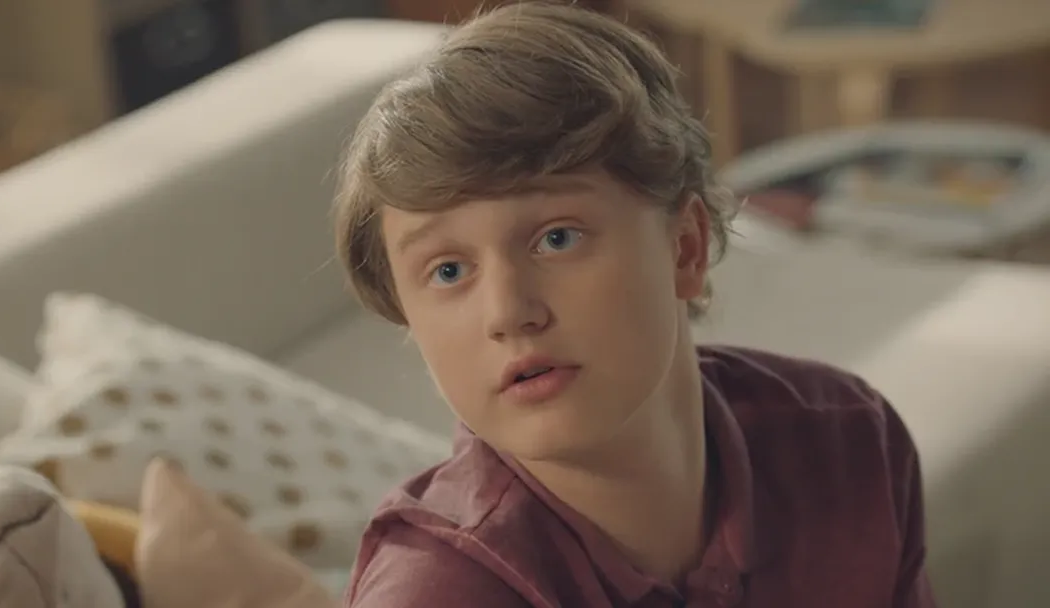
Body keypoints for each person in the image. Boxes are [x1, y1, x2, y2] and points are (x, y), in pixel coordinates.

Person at [331, 2, 937, 606]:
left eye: (556, 238)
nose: (508, 312)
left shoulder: (847, 439)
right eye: (448, 271)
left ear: (685, 247)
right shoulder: (435, 594)